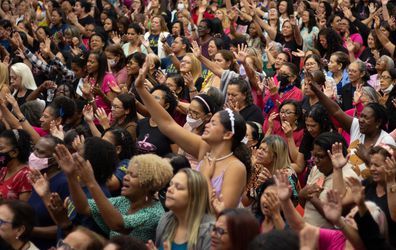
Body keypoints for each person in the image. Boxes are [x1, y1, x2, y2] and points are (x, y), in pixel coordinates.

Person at [135, 55, 251, 210]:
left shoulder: (236, 167)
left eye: (213, 123)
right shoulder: (205, 148)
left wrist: (205, 176)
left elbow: (221, 211)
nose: (208, 125)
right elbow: (167, 124)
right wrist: (141, 89)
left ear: (227, 134)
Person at [55, 146, 173, 242]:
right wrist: (71, 176)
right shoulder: (123, 201)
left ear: (149, 184)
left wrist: (91, 181)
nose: (125, 177)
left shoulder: (154, 212)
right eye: (127, 173)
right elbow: (84, 207)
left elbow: (119, 225)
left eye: (133, 175)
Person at [151, 168, 215, 250]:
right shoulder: (165, 220)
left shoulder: (210, 231)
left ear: (194, 197)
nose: (169, 189)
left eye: (178, 187)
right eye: (171, 184)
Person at [0, 129, 32, 201]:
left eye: (0, 148)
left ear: (14, 152)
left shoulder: (26, 176)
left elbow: (23, 210)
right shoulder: (4, 169)